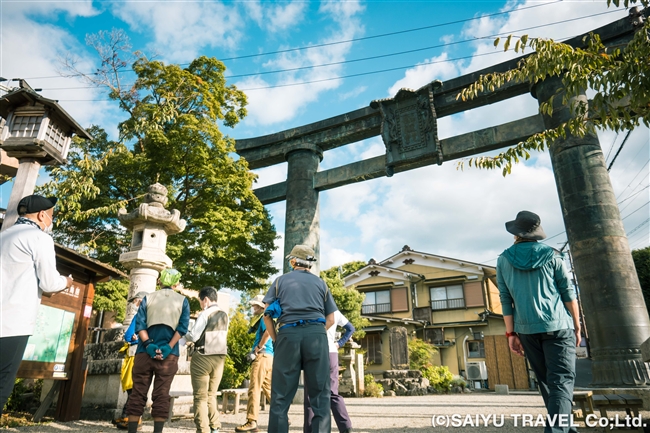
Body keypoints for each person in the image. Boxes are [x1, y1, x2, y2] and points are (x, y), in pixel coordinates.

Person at [496, 211, 581, 433]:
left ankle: (565, 429)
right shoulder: (553, 255)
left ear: (516, 233)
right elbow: (568, 293)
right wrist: (578, 325)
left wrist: (511, 334)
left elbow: (505, 299)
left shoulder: (503, 260)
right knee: (561, 381)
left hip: (525, 329)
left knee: (547, 383)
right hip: (559, 326)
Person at [0, 195, 74, 415]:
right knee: (3, 380)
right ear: (42, 215)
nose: (51, 220)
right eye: (51, 215)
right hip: (13, 322)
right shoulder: (39, 238)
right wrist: (66, 282)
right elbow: (50, 282)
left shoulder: (4, 235)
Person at [263, 244, 338, 433]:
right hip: (316, 335)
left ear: (293, 261)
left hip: (288, 335)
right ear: (310, 264)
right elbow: (331, 319)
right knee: (320, 395)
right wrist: (315, 332)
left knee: (280, 396)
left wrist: (276, 339)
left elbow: (266, 315)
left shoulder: (280, 281)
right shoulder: (321, 283)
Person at [126, 269, 190, 433]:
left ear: (160, 281)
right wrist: (168, 346)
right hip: (169, 356)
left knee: (138, 393)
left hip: (143, 352)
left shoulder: (148, 298)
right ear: (176, 284)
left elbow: (140, 325)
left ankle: (132, 430)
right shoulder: (183, 301)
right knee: (162, 394)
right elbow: (182, 328)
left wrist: (148, 345)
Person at [184, 286, 228, 433]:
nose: (201, 304)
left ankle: (203, 429)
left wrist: (185, 333)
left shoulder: (205, 314)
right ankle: (215, 426)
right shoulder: (224, 314)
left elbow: (194, 336)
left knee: (200, 397)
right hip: (219, 358)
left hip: (202, 356)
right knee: (211, 394)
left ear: (206, 300)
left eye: (201, 301)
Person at [304, 310, 355, 433]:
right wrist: (339, 343)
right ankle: (346, 427)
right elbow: (350, 328)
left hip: (314, 352)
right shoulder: (335, 311)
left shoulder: (310, 309)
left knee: (311, 395)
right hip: (331, 352)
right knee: (332, 392)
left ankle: (310, 430)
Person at [235, 295, 274, 433]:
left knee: (254, 389)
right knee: (269, 390)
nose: (253, 308)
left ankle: (251, 421)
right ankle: (283, 417)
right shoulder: (268, 316)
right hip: (269, 356)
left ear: (262, 306)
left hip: (262, 355)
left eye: (255, 305)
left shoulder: (265, 317)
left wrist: (257, 348)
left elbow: (269, 332)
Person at [113, 291, 148, 430]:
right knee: (133, 387)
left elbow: (129, 336)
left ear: (140, 301)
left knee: (133, 387)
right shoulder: (146, 315)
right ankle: (128, 415)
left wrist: (133, 338)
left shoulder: (142, 314)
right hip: (136, 353)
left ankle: (133, 417)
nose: (134, 304)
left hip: (136, 353)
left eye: (135, 301)